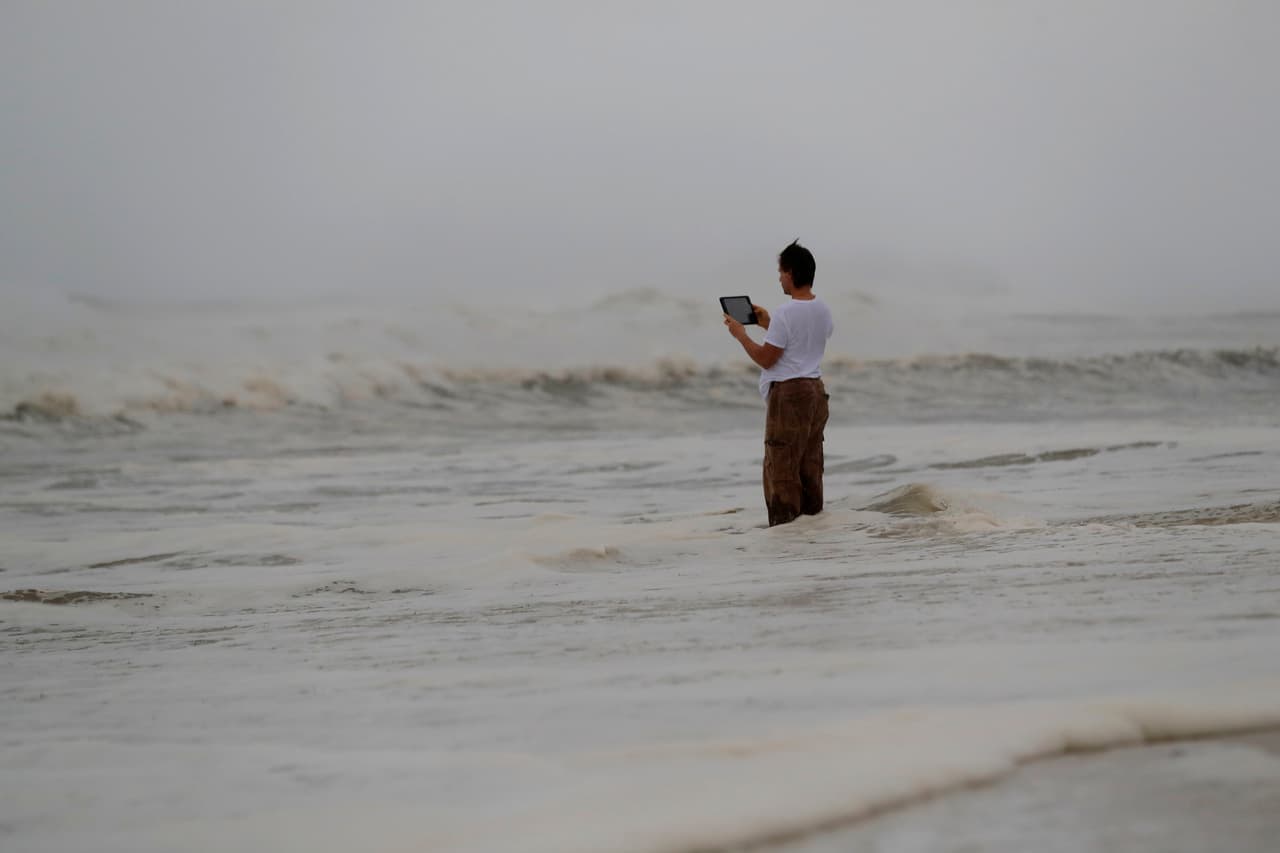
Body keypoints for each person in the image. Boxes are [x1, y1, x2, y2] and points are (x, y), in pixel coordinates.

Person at [723, 240, 833, 526]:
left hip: (789, 394)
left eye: (782, 271)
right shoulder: (822, 309)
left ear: (792, 273)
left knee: (782, 470)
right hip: (815, 392)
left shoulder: (787, 311)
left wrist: (741, 335)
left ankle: (785, 539)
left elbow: (767, 358)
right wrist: (767, 323)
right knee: (809, 467)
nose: (779, 277)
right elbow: (801, 343)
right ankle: (812, 531)